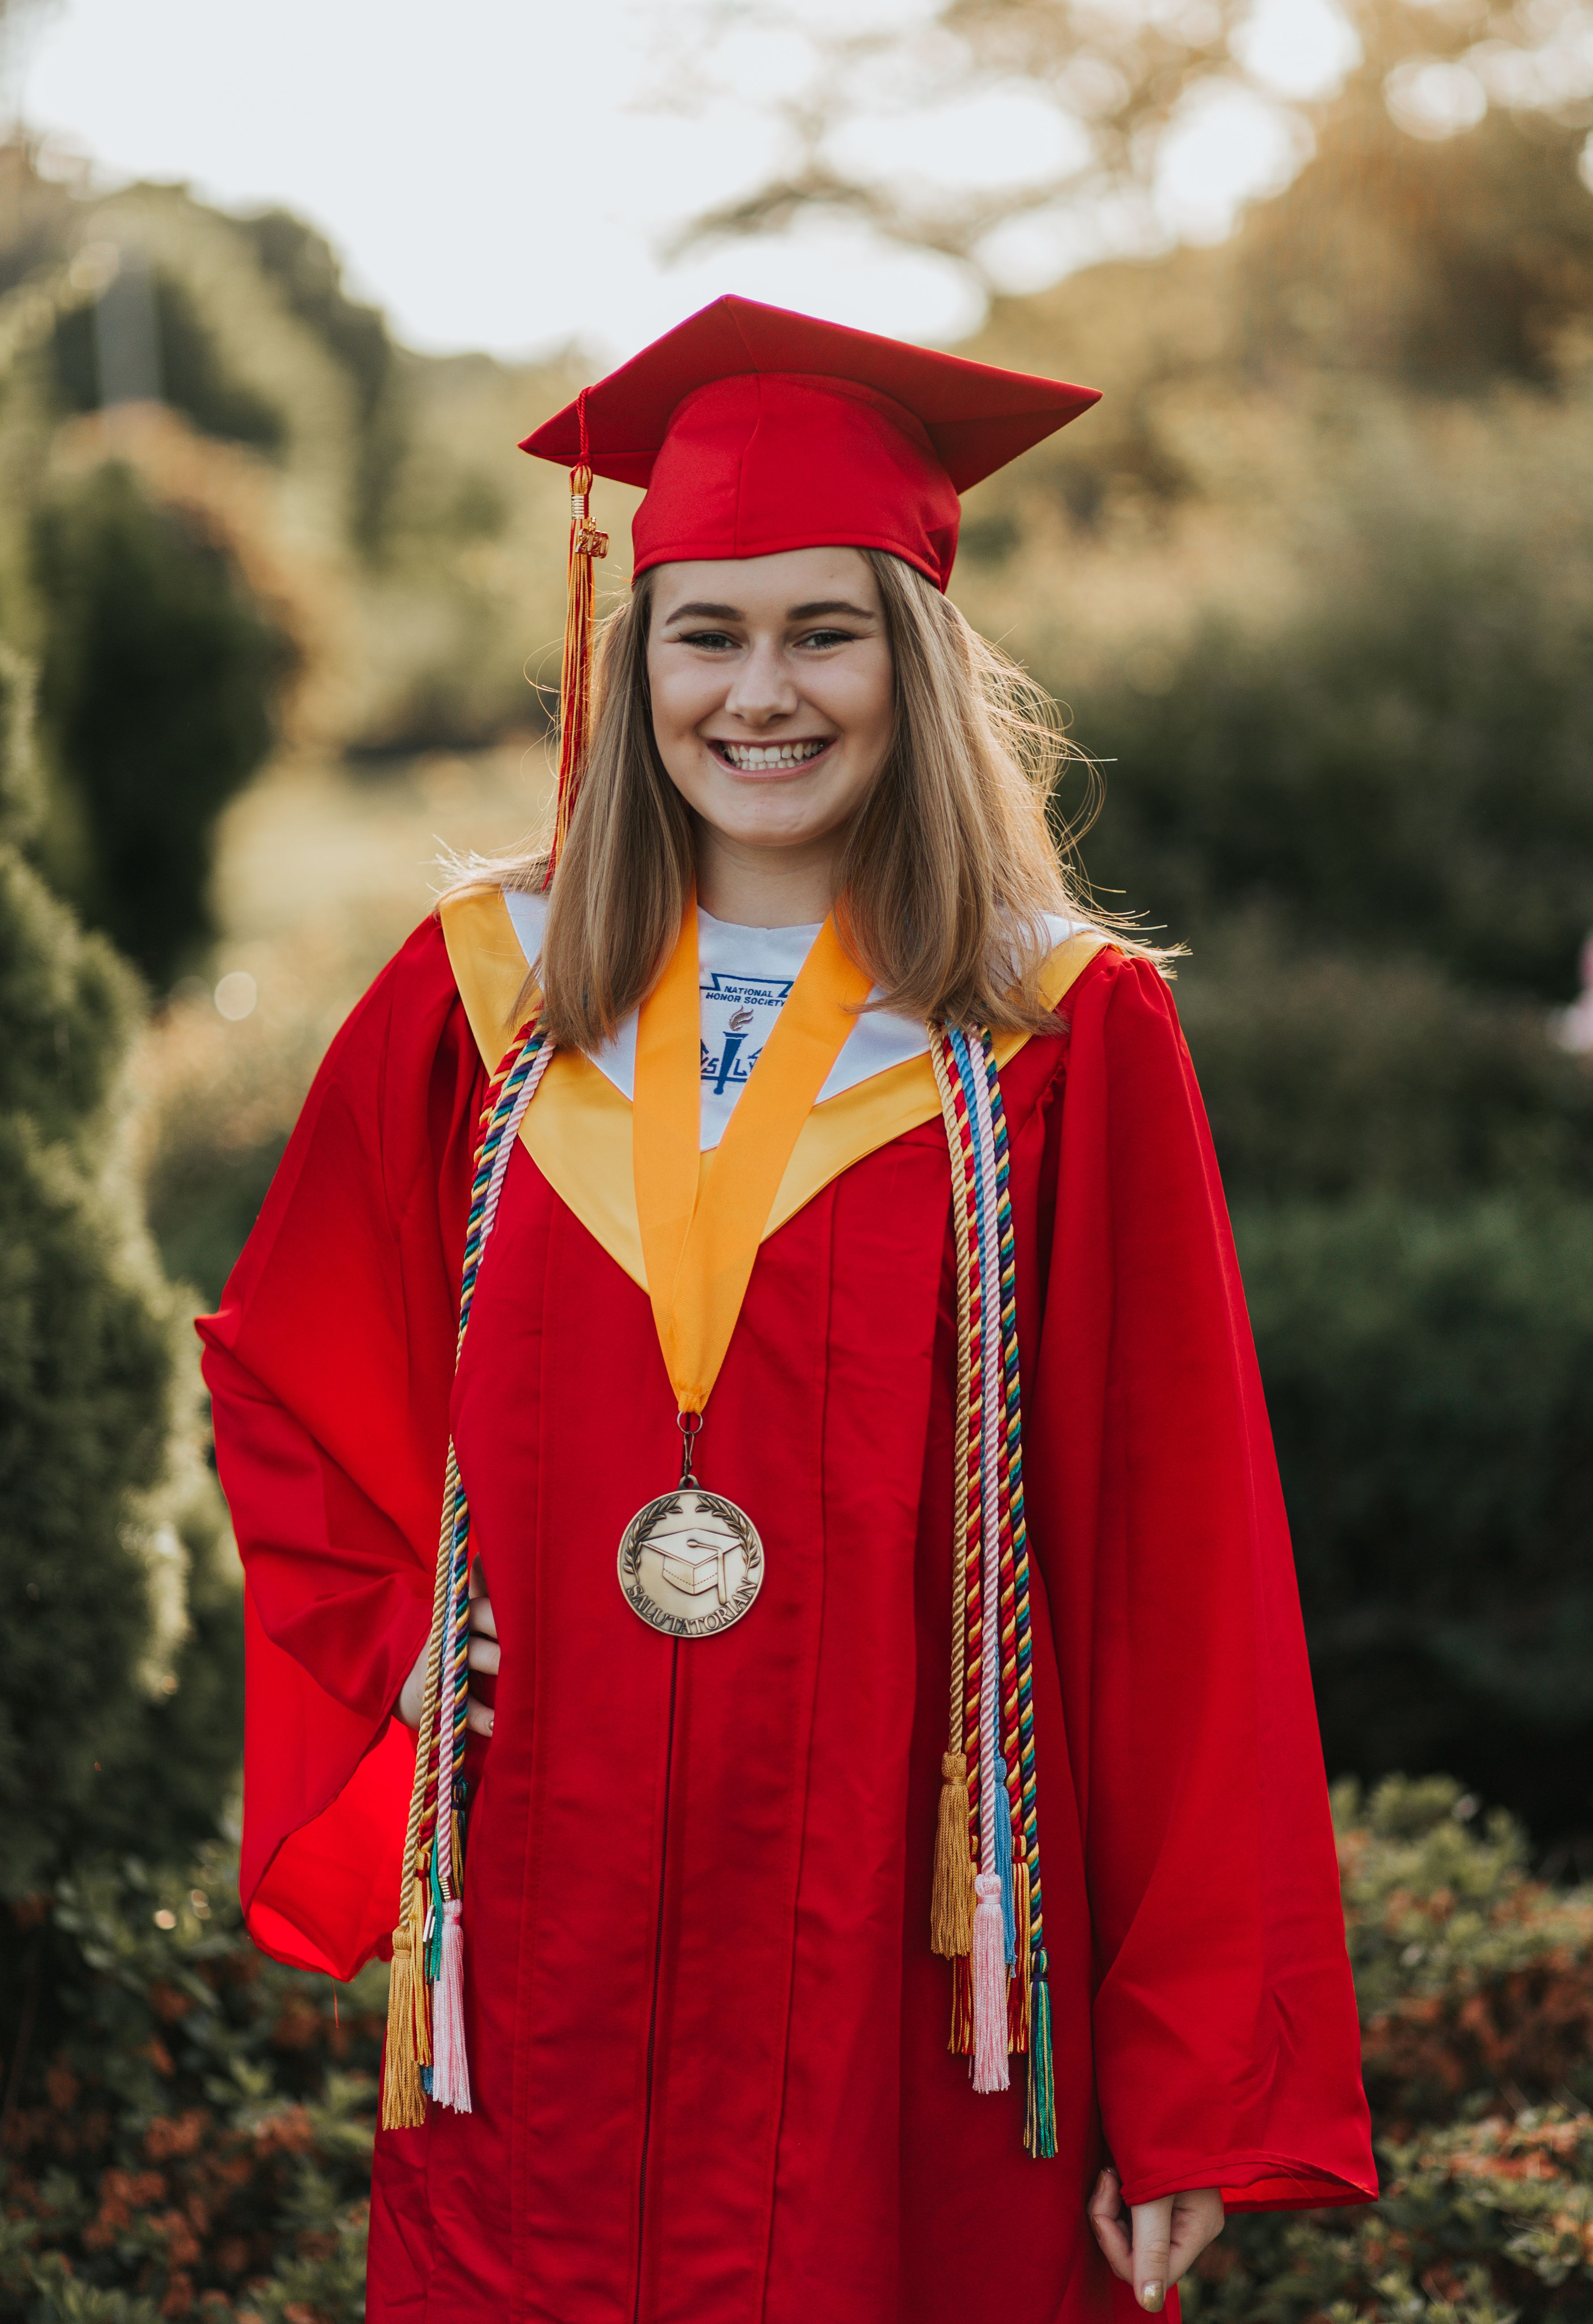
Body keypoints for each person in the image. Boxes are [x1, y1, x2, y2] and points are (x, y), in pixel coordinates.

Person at [199, 295, 1374, 2324]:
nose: (762, 692)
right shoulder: (489, 1002)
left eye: (823, 630)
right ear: (627, 650)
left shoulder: (1052, 1034)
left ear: (911, 658)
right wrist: (403, 1635)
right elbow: (294, 1376)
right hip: (548, 1982)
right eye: (705, 631)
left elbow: (1172, 1562)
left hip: (910, 2002)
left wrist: (1184, 2082)